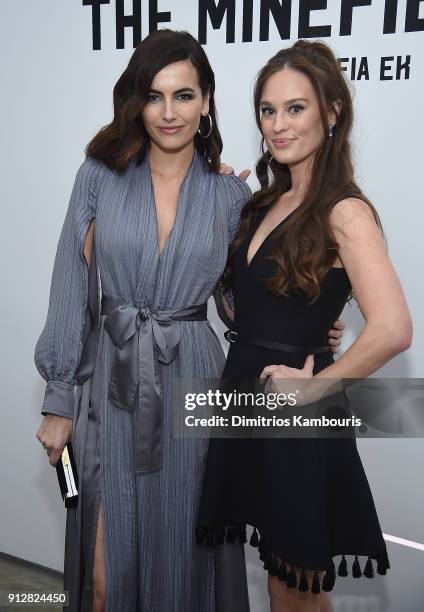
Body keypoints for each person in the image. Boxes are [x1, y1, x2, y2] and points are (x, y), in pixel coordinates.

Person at [34, 30, 344, 612]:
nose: (169, 112)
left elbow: (238, 301)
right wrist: (58, 400)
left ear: (206, 102)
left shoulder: (230, 195)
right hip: (109, 382)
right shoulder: (98, 176)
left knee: (187, 556)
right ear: (135, 102)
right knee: (102, 574)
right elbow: (70, 285)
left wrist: (309, 327)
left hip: (195, 387)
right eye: (154, 96)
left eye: (184, 95)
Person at [196, 39, 413, 612]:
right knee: (279, 581)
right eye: (268, 110)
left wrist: (316, 383)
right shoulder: (266, 202)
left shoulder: (344, 209)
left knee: (296, 586)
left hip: (297, 419)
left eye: (296, 108)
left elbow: (393, 327)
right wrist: (214, 192)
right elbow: (249, 303)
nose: (278, 124)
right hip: (246, 397)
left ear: (332, 112)